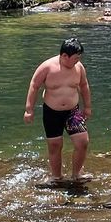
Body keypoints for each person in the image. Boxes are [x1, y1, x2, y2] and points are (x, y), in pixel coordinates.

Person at [24, 38, 93, 181]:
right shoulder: (47, 67)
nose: (77, 61)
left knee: (82, 142)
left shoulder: (79, 67)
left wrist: (87, 107)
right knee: (55, 145)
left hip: (73, 111)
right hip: (52, 112)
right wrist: (29, 109)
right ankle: (56, 176)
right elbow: (34, 86)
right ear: (64, 56)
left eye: (79, 58)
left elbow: (84, 86)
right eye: (75, 58)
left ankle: (76, 174)